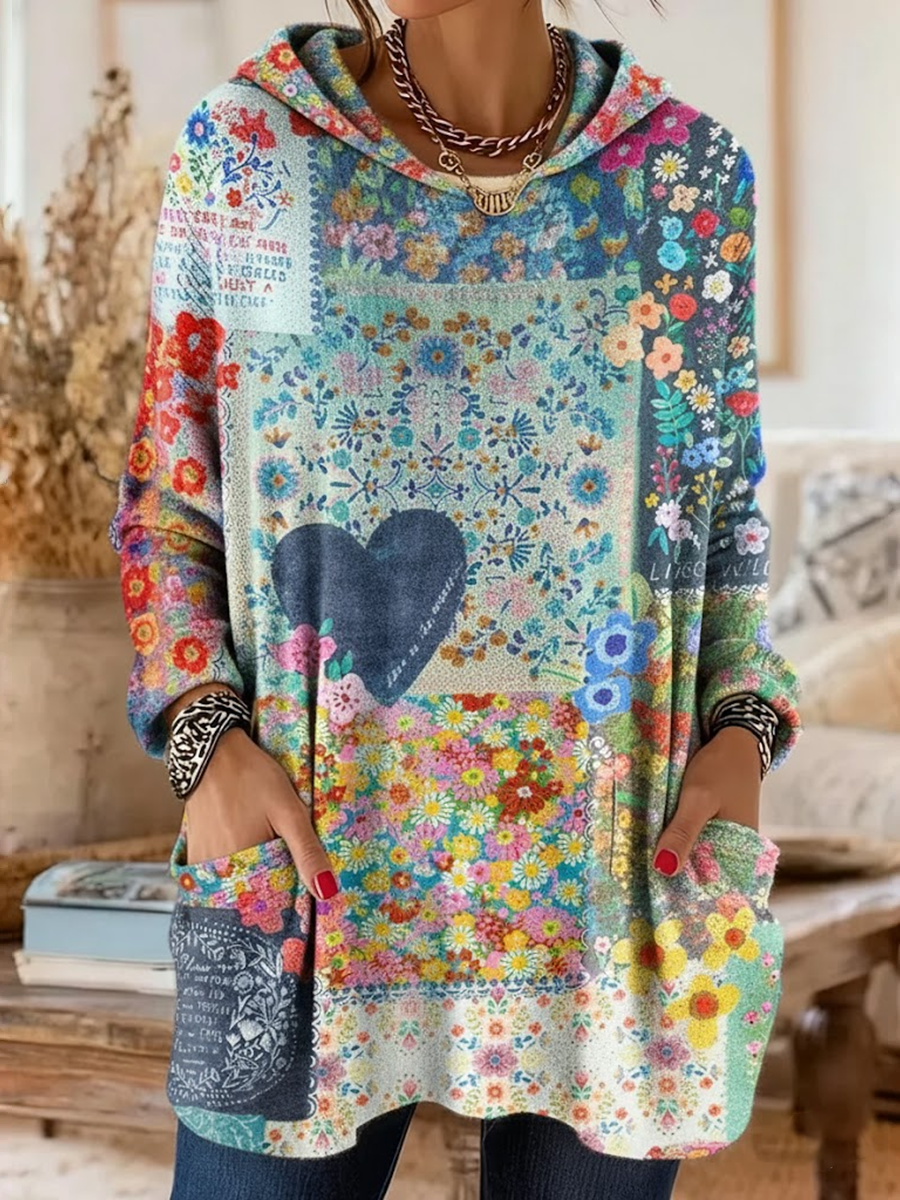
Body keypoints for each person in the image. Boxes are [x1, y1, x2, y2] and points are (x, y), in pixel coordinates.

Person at [109, 1, 802, 1197]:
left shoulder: (685, 176)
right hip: (309, 883)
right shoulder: (254, 149)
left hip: (617, 895)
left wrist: (742, 729)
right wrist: (203, 742)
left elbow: (725, 514)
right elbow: (170, 502)